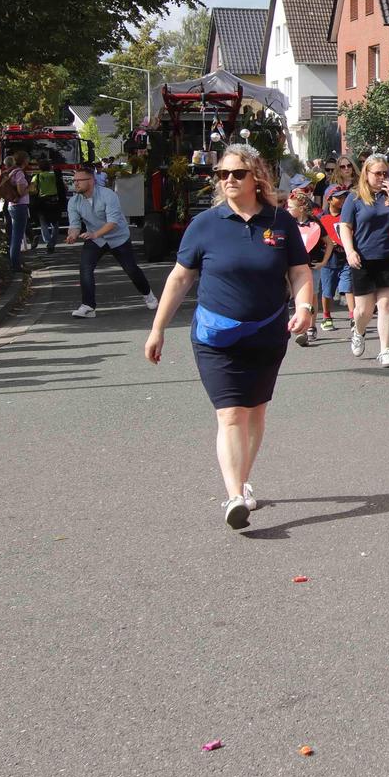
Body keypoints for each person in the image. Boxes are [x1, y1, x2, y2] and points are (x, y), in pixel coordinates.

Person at [144, 144, 314, 530]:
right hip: (215, 337)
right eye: (223, 174)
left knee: (256, 411)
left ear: (257, 177)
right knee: (231, 413)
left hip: (268, 332)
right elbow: (179, 279)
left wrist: (304, 308)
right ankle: (235, 494)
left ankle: (243, 479)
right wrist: (157, 329)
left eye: (237, 173)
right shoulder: (205, 224)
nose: (229, 180)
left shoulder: (280, 221)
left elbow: (300, 272)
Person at [337, 154, 389, 368]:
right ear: (366, 174)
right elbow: (345, 226)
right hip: (363, 258)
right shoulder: (354, 198)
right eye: (378, 173)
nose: (382, 177)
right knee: (364, 310)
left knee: (386, 305)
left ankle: (385, 350)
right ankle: (359, 330)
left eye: (386, 173)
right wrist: (349, 251)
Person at [63, 164, 155, 318]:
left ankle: (148, 295)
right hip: (96, 239)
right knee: (85, 269)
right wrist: (72, 235)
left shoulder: (108, 195)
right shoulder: (74, 201)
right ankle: (88, 306)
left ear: (91, 180)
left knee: (131, 269)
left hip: (117, 237)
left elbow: (112, 223)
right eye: (74, 181)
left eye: (79, 180)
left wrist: (94, 234)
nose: (76, 183)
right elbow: (75, 225)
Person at [285, 186, 329, 346]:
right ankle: (301, 328)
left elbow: (329, 242)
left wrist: (324, 261)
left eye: (290, 207)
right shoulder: (289, 223)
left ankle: (311, 326)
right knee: (298, 296)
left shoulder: (315, 222)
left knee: (312, 296)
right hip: (294, 266)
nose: (287, 209)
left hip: (312, 265)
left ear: (301, 208)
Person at [316, 185, 351, 330]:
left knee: (348, 288)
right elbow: (315, 238)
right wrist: (328, 243)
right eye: (339, 197)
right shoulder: (320, 218)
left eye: (344, 196)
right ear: (329, 199)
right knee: (327, 291)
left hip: (346, 258)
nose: (343, 199)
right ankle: (326, 316)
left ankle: (353, 316)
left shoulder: (348, 215)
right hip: (329, 260)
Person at [0, 152, 33, 271]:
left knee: (15, 236)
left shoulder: (12, 171)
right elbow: (21, 191)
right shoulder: (19, 173)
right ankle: (16, 266)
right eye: (28, 160)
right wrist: (30, 187)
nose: (29, 162)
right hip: (19, 206)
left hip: (12, 205)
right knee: (17, 237)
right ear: (24, 161)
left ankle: (15, 263)